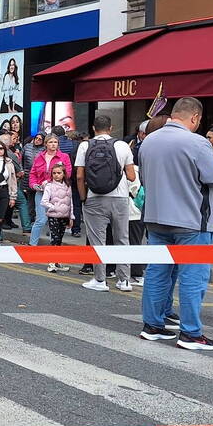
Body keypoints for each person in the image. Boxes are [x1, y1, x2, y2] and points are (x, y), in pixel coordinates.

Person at [139, 97, 213, 349]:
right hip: (191, 220)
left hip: (155, 216)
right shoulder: (197, 143)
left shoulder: (148, 141)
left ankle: (152, 325)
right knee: (193, 277)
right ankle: (191, 333)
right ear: (195, 117)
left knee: (157, 272)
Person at [75, 114, 136, 292]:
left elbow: (80, 176)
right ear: (111, 128)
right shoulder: (122, 145)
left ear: (94, 128)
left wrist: (83, 198)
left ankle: (100, 280)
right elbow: (131, 176)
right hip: (120, 198)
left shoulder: (85, 146)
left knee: (97, 241)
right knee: (122, 239)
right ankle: (124, 280)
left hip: (94, 198)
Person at [28, 134, 72, 246]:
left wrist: (49, 181)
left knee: (56, 221)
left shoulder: (64, 157)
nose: (53, 144)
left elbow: (68, 173)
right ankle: (32, 245)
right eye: (51, 142)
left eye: (55, 142)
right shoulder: (39, 156)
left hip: (58, 192)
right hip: (41, 191)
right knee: (41, 219)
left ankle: (54, 247)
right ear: (46, 144)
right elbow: (32, 173)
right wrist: (33, 185)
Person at [41, 163, 73, 272]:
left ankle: (57, 261)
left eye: (59, 173)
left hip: (64, 216)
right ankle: (51, 262)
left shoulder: (68, 186)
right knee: (54, 239)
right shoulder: (49, 186)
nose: (56, 175)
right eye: (54, 173)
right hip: (54, 216)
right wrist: (54, 207)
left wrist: (71, 217)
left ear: (64, 174)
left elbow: (70, 203)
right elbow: (44, 201)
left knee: (59, 239)